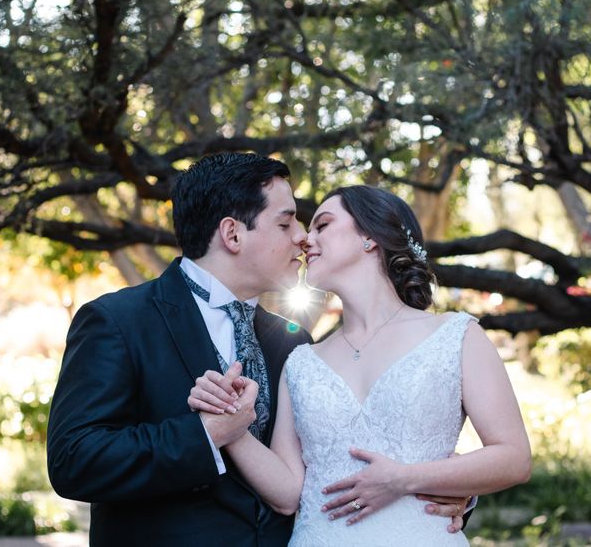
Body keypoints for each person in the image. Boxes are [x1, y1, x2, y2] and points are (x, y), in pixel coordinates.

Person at [46, 153, 469, 547]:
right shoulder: (119, 321)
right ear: (232, 233)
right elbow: (74, 460)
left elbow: (344, 460)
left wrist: (446, 491)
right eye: (287, 224)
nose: (303, 239)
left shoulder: (294, 342)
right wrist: (206, 435)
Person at [188, 185, 532, 546]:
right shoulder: (302, 361)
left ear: (370, 237)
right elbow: (288, 493)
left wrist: (405, 479)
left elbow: (514, 458)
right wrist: (233, 424)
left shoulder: (456, 336)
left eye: (322, 225)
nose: (305, 239)